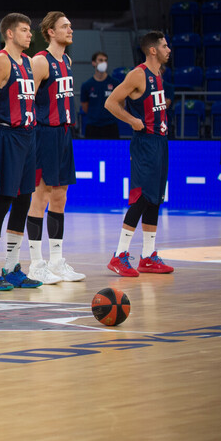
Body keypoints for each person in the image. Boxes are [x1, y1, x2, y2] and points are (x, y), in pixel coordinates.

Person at [0, 13, 39, 293]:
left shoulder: (27, 61)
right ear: (10, 34)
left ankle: (12, 267)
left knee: (24, 201)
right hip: (7, 135)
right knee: (3, 200)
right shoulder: (1, 60)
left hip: (28, 137)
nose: (30, 34)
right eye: (25, 30)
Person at [104, 31, 174, 276]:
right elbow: (111, 102)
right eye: (165, 46)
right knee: (142, 197)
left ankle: (147, 256)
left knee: (155, 197)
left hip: (160, 142)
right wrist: (133, 120)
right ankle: (119, 255)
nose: (169, 50)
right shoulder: (138, 74)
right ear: (152, 50)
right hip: (145, 143)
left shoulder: (159, 75)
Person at [25, 11, 86, 285]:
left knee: (60, 196)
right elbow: (28, 100)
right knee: (41, 195)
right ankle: (36, 263)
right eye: (65, 26)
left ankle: (57, 261)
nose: (70, 29)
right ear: (50, 31)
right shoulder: (40, 61)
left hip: (64, 133)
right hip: (44, 133)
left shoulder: (68, 60)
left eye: (70, 25)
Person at [81, 51, 120, 139]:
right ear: (94, 63)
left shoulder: (115, 83)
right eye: (100, 60)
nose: (104, 63)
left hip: (111, 125)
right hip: (92, 126)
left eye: (105, 60)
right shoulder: (87, 85)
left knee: (112, 152)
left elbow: (121, 103)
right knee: (92, 152)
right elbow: (85, 106)